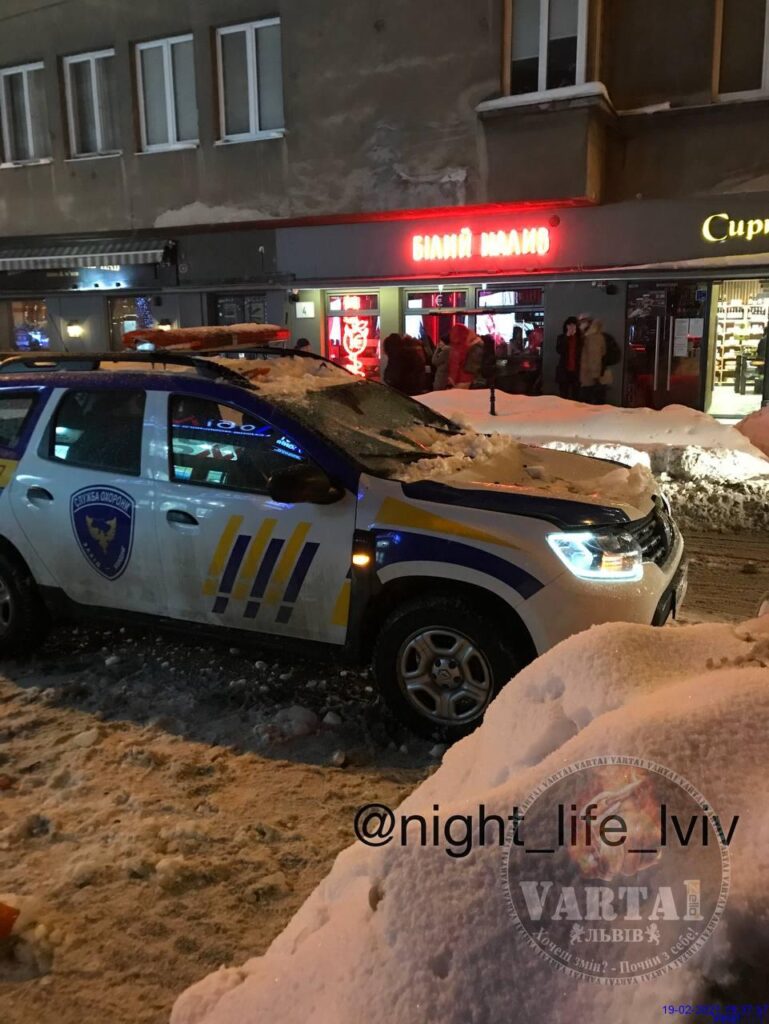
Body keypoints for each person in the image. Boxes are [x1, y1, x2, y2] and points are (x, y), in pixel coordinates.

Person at [579, 315, 611, 404]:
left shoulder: (592, 338)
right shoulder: (597, 337)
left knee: (588, 402)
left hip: (590, 376)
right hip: (593, 376)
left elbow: (594, 358)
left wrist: (595, 376)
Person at [555, 316, 582, 400]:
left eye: (573, 325)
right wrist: (566, 337)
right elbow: (559, 350)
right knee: (563, 395)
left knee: (576, 395)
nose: (571, 327)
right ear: (566, 326)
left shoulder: (580, 339)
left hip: (576, 370)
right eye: (569, 325)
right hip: (564, 370)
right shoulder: (561, 337)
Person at [448, 323, 482, 389]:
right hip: (468, 380)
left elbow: (456, 364)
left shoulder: (468, 347)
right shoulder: (473, 345)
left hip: (465, 380)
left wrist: (452, 379)